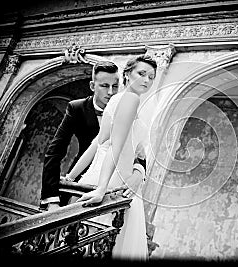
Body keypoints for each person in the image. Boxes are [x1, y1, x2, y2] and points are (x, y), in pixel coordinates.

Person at [66, 55, 157, 260]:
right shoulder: (130, 99)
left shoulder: (118, 100)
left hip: (110, 176)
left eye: (151, 77)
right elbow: (113, 147)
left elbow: (98, 144)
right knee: (106, 243)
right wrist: (101, 188)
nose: (147, 80)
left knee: (90, 243)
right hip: (115, 181)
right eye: (141, 74)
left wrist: (71, 176)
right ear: (127, 74)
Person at [40, 60, 146, 211]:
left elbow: (139, 148)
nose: (110, 92)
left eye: (115, 86)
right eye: (104, 86)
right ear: (92, 86)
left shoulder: (129, 107)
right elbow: (54, 152)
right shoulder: (76, 108)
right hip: (82, 179)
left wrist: (138, 173)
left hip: (118, 184)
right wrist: (52, 200)